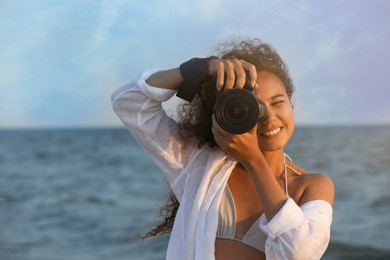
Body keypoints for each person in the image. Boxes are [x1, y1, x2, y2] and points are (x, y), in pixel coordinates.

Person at [111, 38, 334, 260]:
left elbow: (299, 253)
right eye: (254, 108)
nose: (268, 117)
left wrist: (254, 160)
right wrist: (199, 68)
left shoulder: (312, 186)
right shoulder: (198, 164)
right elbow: (129, 102)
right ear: (227, 114)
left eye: (278, 103)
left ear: (291, 104)